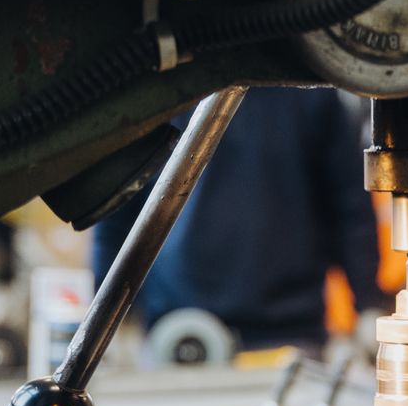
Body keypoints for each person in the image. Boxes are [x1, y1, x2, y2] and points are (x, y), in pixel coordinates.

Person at [91, 86, 383, 353]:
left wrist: (368, 304)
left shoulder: (308, 89)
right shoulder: (158, 91)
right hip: (178, 337)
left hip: (287, 337)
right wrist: (106, 320)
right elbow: (117, 211)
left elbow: (349, 206)